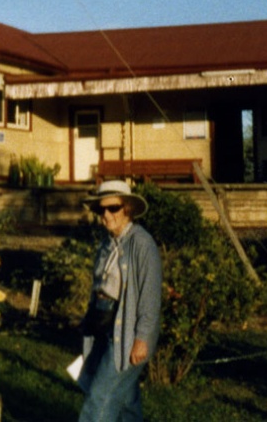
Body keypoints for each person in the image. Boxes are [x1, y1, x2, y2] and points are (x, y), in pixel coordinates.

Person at [78, 180, 162, 422]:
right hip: (104, 323)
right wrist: (89, 319)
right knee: (126, 401)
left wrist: (142, 339)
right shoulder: (107, 245)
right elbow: (99, 287)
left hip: (126, 330)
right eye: (101, 210)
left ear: (128, 209)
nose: (106, 215)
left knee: (100, 398)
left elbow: (150, 295)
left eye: (113, 208)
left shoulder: (142, 244)